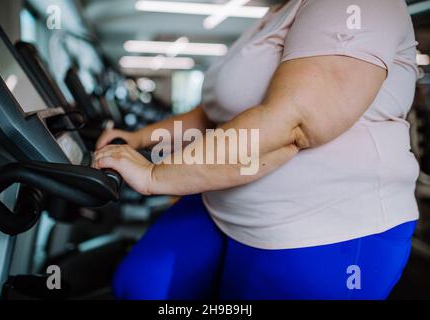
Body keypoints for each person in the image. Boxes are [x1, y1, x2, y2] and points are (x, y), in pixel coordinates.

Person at [94, 0, 420, 299]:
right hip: (221, 204)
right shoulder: (276, 12)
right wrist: (138, 139)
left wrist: (154, 175)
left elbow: (295, 123)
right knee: (139, 287)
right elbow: (212, 113)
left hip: (322, 228)